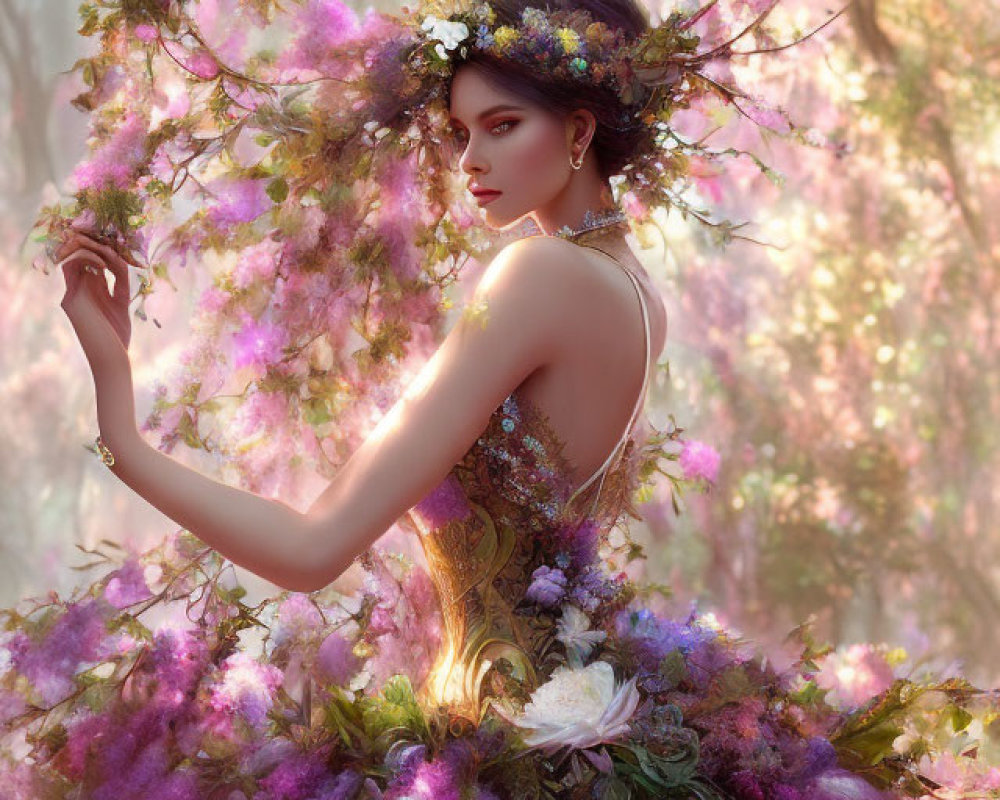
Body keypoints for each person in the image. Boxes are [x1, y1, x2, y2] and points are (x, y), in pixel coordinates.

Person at [4, 0, 991, 797]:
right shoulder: (630, 284)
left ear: (578, 131)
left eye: (500, 127)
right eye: (457, 132)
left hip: (500, 740)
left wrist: (122, 423)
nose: (467, 161)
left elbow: (312, 548)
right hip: (567, 709)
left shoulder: (537, 278)